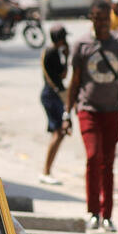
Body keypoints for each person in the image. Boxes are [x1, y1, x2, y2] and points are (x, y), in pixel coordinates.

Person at [64, 1, 118, 234]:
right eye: (97, 19)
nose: (101, 23)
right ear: (91, 18)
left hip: (113, 111)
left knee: (108, 163)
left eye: (104, 19)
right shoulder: (81, 45)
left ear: (110, 18)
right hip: (88, 110)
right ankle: (92, 212)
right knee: (93, 157)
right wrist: (66, 113)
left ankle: (107, 215)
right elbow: (75, 82)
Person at [39, 24, 69, 185]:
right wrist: (67, 56)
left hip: (51, 94)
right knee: (58, 133)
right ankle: (46, 171)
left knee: (60, 133)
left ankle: (47, 170)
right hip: (52, 95)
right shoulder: (53, 53)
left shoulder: (49, 51)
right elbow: (62, 75)